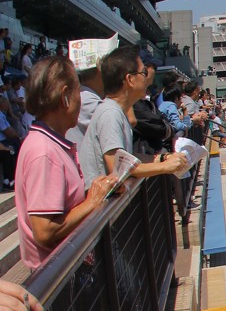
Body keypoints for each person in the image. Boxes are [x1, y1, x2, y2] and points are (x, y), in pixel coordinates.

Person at [16, 57, 117, 268]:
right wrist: (91, 202)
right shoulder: (43, 151)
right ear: (65, 97)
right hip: (62, 279)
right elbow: (44, 231)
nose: (81, 99)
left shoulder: (49, 144)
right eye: (77, 91)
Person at [77, 47, 188, 188]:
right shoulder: (110, 113)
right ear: (130, 79)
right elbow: (118, 167)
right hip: (105, 206)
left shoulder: (116, 111)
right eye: (144, 72)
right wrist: (165, 167)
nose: (148, 79)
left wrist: (162, 158)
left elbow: (128, 160)